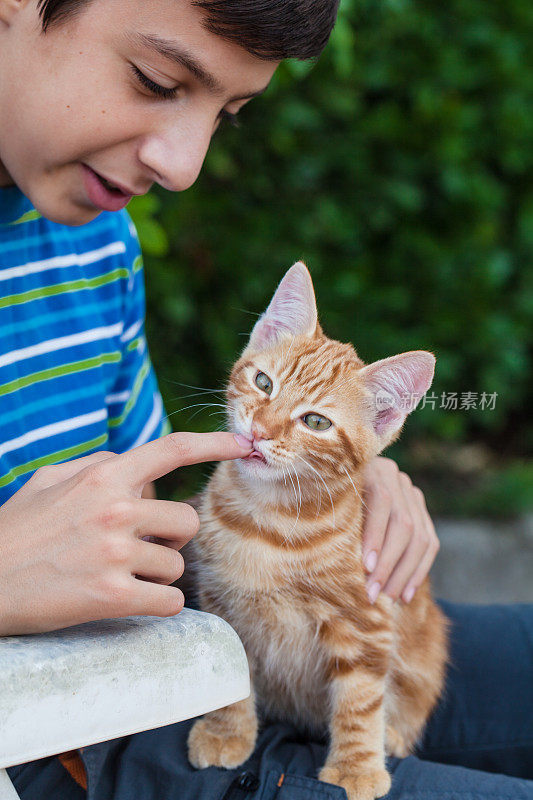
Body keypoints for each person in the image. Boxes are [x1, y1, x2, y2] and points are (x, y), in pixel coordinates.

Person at [0, 1, 531, 798]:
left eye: (230, 116)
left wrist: (344, 475)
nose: (183, 167)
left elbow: (160, 519)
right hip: (71, 736)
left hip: (203, 645)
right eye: (156, 78)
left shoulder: (94, 237)